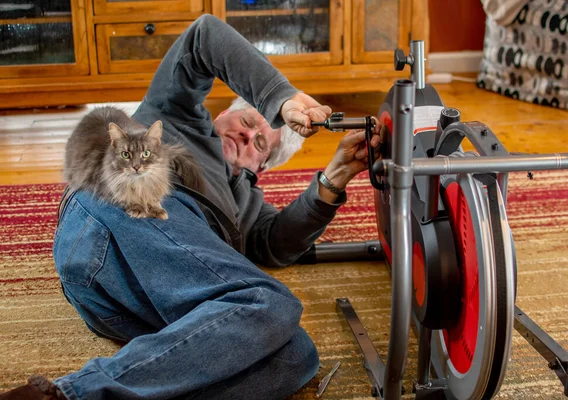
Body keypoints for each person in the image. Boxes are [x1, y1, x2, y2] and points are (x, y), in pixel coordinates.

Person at [0, 14, 380, 400]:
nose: (248, 135)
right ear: (223, 114)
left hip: (120, 306)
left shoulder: (244, 201)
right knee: (270, 300)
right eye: (248, 120)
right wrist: (280, 99)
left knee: (296, 356)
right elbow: (203, 36)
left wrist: (337, 174)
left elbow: (276, 245)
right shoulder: (176, 115)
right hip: (116, 210)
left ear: (260, 168)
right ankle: (67, 396)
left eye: (260, 145)